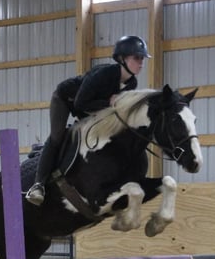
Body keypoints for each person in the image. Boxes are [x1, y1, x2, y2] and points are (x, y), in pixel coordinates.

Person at [25, 35, 152, 205]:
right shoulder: (105, 74)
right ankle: (38, 185)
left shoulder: (132, 84)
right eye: (137, 58)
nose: (141, 62)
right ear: (122, 58)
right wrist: (109, 102)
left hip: (91, 108)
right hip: (67, 99)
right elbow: (81, 102)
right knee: (57, 136)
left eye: (142, 58)